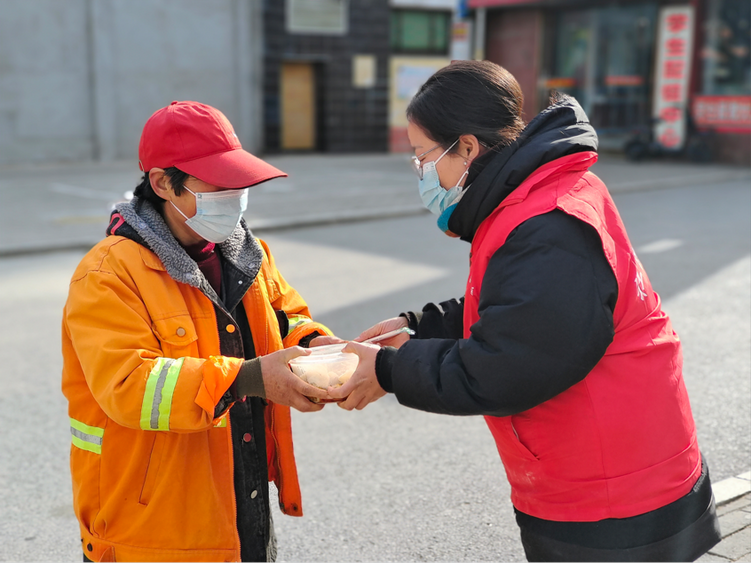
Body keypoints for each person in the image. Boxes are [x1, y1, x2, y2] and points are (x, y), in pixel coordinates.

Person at [328, 61, 722, 561]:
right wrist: (420, 327)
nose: (421, 171)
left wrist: (388, 370)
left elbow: (509, 364)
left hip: (614, 499)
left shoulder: (546, 223)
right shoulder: (535, 196)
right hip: (615, 470)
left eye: (422, 155)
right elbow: (526, 307)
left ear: (467, 147)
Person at [62, 100, 334, 563]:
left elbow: (285, 319)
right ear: (164, 183)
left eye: (239, 181)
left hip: (238, 503)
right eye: (218, 183)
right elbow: (128, 386)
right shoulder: (108, 274)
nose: (236, 194)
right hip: (152, 531)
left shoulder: (247, 252)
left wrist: (318, 348)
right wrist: (250, 378)